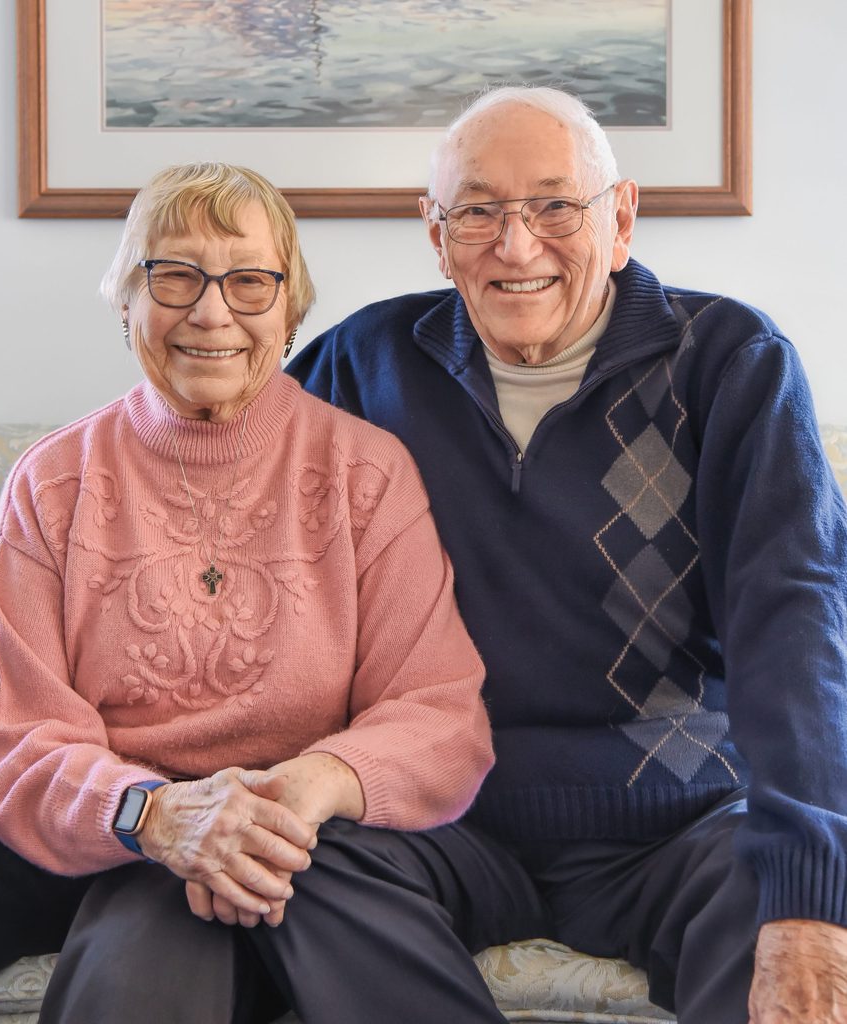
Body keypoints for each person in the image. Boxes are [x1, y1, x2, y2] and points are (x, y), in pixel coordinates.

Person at [0, 162, 534, 1024]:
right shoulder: (54, 481)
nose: (211, 309)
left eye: (249, 281)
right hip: (106, 809)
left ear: (290, 310)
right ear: (127, 303)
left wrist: (300, 792)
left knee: (150, 943)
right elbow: (9, 729)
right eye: (175, 275)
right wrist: (151, 813)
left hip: (304, 827)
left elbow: (437, 713)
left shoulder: (365, 474)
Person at [283, 86, 847, 1023]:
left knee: (778, 905)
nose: (516, 243)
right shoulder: (362, 363)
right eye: (478, 211)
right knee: (293, 873)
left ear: (619, 218)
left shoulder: (732, 362)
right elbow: (222, 516)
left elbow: (795, 624)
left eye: (554, 204)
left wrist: (812, 896)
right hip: (439, 817)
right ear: (436, 233)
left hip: (684, 819)